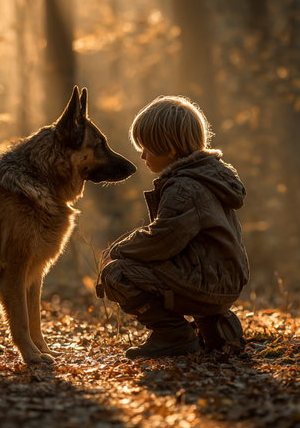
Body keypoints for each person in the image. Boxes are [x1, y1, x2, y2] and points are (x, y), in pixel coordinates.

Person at [96, 95, 249, 359]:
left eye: (147, 149)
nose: (142, 156)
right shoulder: (209, 176)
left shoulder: (184, 187)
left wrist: (117, 251)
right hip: (223, 280)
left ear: (171, 149)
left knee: (117, 273)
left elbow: (164, 239)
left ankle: (173, 334)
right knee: (143, 264)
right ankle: (215, 325)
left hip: (207, 282)